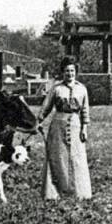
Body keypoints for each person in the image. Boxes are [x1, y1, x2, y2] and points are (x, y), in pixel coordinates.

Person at [38, 56, 92, 200]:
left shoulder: (82, 89)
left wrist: (84, 129)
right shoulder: (56, 89)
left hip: (75, 125)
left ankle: (79, 192)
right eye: (67, 71)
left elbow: (85, 111)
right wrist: (39, 121)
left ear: (76, 72)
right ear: (63, 72)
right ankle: (53, 193)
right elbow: (46, 108)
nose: (70, 74)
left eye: (72, 71)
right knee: (57, 158)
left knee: (77, 158)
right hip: (57, 125)